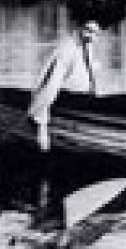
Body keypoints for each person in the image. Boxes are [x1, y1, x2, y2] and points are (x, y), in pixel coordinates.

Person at [28, 17, 102, 152]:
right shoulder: (67, 49)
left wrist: (94, 95)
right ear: (79, 28)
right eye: (89, 31)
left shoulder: (87, 45)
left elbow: (90, 75)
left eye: (96, 33)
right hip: (64, 99)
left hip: (83, 99)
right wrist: (42, 126)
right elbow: (49, 84)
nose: (92, 36)